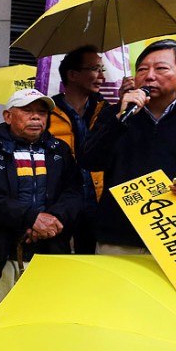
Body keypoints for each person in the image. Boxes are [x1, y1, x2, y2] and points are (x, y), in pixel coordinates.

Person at [79, 39, 176, 253]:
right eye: (142, 69)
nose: (149, 76)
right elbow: (89, 161)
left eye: (161, 69)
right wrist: (120, 120)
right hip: (120, 237)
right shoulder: (115, 114)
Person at [0, 89, 83, 310]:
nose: (36, 117)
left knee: (44, 320)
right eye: (27, 110)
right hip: (1, 258)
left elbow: (74, 193)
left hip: (49, 253)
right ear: (8, 116)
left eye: (42, 112)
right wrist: (31, 218)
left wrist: (53, 219)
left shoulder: (59, 150)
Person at [49, 46, 119, 255]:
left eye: (102, 69)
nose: (101, 76)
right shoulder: (48, 111)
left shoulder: (108, 112)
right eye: (94, 69)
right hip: (60, 203)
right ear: (72, 74)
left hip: (98, 202)